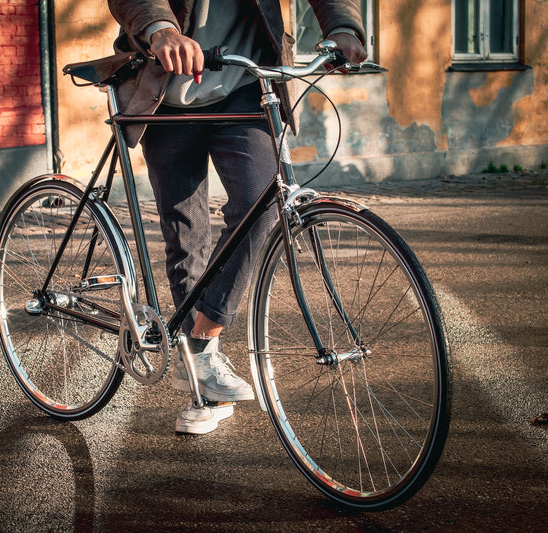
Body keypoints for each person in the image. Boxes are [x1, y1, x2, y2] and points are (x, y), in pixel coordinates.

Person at [107, 0, 367, 434]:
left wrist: (344, 27)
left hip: (245, 84)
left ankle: (200, 346)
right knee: (184, 233)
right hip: (164, 93)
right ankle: (203, 384)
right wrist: (160, 28)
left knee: (263, 201)